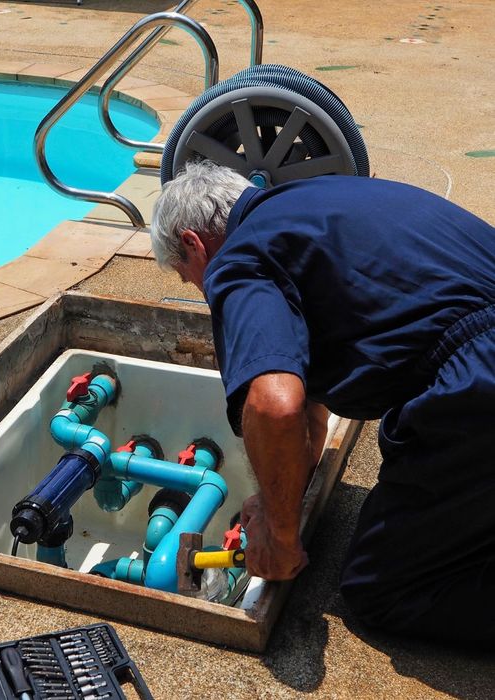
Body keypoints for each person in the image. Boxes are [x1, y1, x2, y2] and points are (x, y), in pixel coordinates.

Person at [150, 159, 495, 644]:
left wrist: (281, 537)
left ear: (193, 243)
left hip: (482, 380)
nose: (204, 293)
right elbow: (308, 409)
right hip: (479, 354)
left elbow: (274, 406)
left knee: (383, 586)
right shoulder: (316, 202)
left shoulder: (240, 259)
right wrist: (273, 500)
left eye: (191, 279)